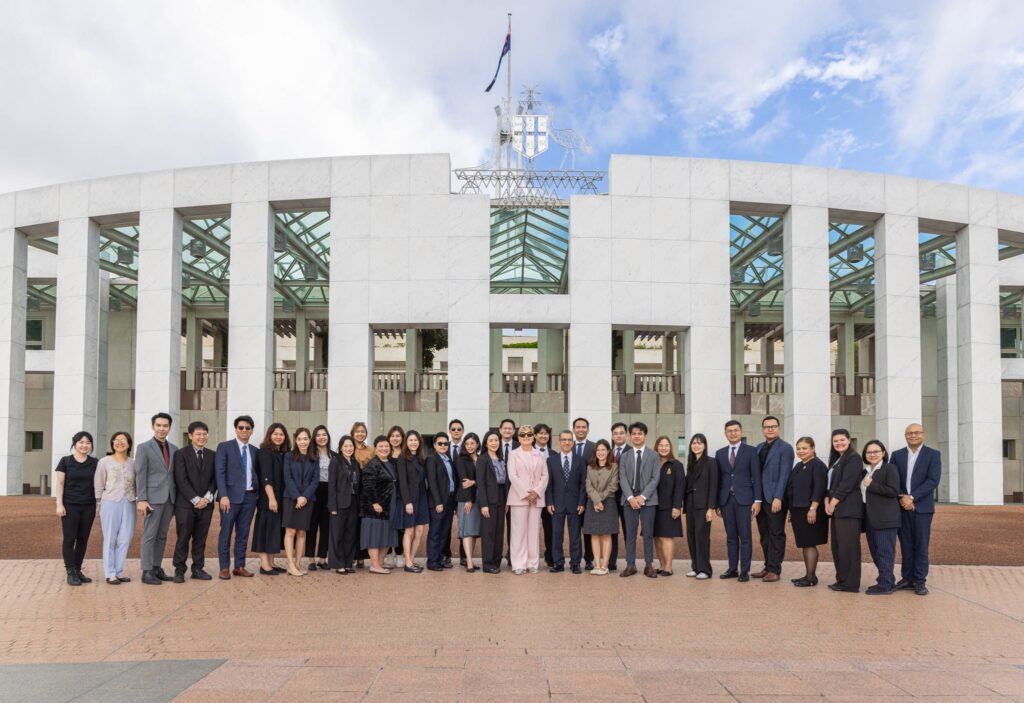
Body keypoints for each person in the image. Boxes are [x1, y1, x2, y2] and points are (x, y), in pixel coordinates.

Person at [892, 423, 941, 596]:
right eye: (909, 433)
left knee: (921, 544)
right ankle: (907, 578)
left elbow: (933, 480)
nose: (913, 435)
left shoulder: (933, 455)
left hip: (922, 508)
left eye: (916, 432)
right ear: (905, 436)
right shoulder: (897, 455)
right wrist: (903, 497)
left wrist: (912, 498)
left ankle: (920, 581)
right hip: (902, 507)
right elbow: (893, 478)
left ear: (923, 434)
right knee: (906, 544)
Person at [715, 420, 762, 582]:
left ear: (741, 432)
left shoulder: (751, 451)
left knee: (745, 536)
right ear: (725, 433)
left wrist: (757, 500)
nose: (733, 433)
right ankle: (732, 568)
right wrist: (717, 503)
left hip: (745, 500)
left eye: (735, 430)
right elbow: (719, 479)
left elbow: (756, 476)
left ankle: (745, 571)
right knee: (731, 537)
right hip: (726, 501)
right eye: (729, 431)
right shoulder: (720, 453)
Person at [214, 415, 260, 579]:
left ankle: (239, 566)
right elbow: (219, 473)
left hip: (249, 498)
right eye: (241, 427)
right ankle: (224, 567)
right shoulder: (225, 447)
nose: (244, 430)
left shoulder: (255, 451)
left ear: (252, 431)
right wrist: (223, 496)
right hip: (230, 499)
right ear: (236, 429)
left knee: (243, 534)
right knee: (225, 533)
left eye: (247, 428)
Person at [136, 412, 178, 585]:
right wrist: (142, 499)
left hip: (170, 498)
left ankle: (156, 567)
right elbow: (140, 474)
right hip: (152, 498)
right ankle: (146, 571)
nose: (162, 429)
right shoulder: (144, 447)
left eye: (165, 426)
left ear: (169, 427)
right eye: (158, 425)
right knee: (149, 535)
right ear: (153, 426)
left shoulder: (174, 449)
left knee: (162, 535)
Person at [171, 422, 216, 582]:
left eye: (204, 434)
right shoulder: (180, 454)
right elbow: (180, 479)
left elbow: (215, 479)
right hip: (185, 505)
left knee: (200, 539)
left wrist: (207, 498)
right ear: (190, 435)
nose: (201, 437)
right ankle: (179, 570)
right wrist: (196, 499)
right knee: (183, 537)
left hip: (207, 504)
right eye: (198, 434)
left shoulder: (212, 454)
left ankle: (198, 568)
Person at [55, 431, 98, 586]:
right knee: (69, 538)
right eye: (81, 442)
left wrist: (99, 504)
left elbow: (99, 484)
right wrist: (59, 504)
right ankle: (70, 571)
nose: (84, 445)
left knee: (83, 539)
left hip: (88, 505)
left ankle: (78, 569)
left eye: (88, 442)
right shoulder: (65, 461)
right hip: (70, 505)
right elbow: (59, 484)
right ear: (74, 444)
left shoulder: (95, 462)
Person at [619, 421, 661, 578]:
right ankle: (631, 565)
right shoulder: (625, 456)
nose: (637, 436)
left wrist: (642, 497)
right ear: (630, 436)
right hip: (628, 501)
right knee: (630, 534)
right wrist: (631, 498)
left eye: (640, 433)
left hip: (648, 501)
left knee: (648, 534)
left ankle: (649, 565)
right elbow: (622, 478)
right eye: (634, 433)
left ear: (645, 435)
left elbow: (655, 478)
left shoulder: (654, 455)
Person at [825, 429, 864, 593]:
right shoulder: (837, 459)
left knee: (849, 547)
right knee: (838, 546)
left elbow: (846, 484)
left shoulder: (854, 458)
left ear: (849, 440)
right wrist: (827, 501)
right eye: (835, 441)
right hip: (837, 510)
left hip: (848, 509)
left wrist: (832, 503)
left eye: (842, 440)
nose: (839, 443)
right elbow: (830, 485)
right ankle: (841, 579)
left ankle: (851, 583)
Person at [861, 439, 902, 595]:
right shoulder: (866, 471)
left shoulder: (889, 468)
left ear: (883, 453)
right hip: (871, 519)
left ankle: (884, 585)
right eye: (869, 452)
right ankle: (887, 581)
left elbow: (893, 491)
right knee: (876, 552)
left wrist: (872, 485)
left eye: (876, 451)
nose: (872, 454)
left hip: (886, 519)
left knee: (885, 552)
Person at [754, 416, 792, 582]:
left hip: (775, 499)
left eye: (773, 426)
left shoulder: (785, 448)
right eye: (766, 427)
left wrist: (778, 497)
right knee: (764, 534)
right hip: (760, 499)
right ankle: (768, 566)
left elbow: (785, 475)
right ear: (762, 429)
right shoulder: (758, 448)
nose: (770, 429)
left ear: (779, 428)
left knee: (776, 533)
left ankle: (775, 569)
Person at [94, 431, 136, 585]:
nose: (119, 442)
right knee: (110, 538)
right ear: (112, 443)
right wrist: (98, 502)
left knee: (125, 538)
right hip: (110, 502)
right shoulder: (104, 462)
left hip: (129, 502)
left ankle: (118, 572)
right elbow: (99, 483)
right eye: (116, 440)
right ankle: (110, 573)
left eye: (123, 440)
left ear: (129, 444)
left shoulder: (133, 463)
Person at [507, 425, 548, 575]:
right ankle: (518, 563)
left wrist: (536, 492)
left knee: (533, 531)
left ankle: (532, 563)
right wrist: (526, 493)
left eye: (529, 434)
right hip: (519, 497)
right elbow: (512, 475)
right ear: (518, 438)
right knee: (518, 532)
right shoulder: (513, 454)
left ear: (533, 437)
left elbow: (545, 476)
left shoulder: (540, 454)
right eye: (523, 434)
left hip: (536, 498)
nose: (526, 436)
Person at [786, 436, 828, 587]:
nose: (801, 451)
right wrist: (791, 510)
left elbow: (819, 488)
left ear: (812, 449)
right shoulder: (798, 466)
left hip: (810, 510)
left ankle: (811, 578)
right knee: (804, 542)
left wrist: (813, 508)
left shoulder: (817, 465)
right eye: (798, 448)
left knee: (810, 543)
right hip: (798, 510)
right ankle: (808, 574)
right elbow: (793, 489)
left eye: (804, 448)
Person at [546, 429, 586, 574]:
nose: (566, 442)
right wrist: (549, 501)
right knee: (557, 534)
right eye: (564, 439)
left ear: (573, 442)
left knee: (575, 534)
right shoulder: (551, 460)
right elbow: (548, 483)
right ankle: (558, 563)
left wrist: (582, 502)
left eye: (569, 440)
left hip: (575, 503)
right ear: (559, 441)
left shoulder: (581, 460)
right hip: (556, 503)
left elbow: (583, 484)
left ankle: (575, 563)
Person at [252, 423, 289, 575]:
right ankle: (264, 565)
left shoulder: (282, 453)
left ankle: (272, 563)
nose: (278, 437)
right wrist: (272, 499)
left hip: (280, 498)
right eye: (275, 434)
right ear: (269, 435)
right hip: (268, 499)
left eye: (281, 434)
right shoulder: (265, 452)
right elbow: (265, 478)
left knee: (274, 531)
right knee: (264, 530)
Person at [360, 436, 399, 574]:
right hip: (375, 508)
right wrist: (375, 503)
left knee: (386, 537)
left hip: (389, 507)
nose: (384, 449)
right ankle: (375, 565)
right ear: (375, 449)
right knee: (374, 537)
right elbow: (368, 486)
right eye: (380, 446)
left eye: (386, 446)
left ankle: (380, 563)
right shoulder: (373, 464)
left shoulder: (391, 463)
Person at [282, 428, 318, 576]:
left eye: (305, 439)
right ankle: (290, 564)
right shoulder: (289, 456)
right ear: (296, 441)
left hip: (308, 499)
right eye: (300, 439)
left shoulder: (314, 457)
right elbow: (287, 478)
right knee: (290, 531)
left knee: (302, 532)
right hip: (291, 498)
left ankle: (297, 563)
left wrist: (305, 497)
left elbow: (315, 481)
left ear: (309, 440)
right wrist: (298, 497)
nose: (302, 442)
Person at [684, 434, 717, 580]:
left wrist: (711, 508)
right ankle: (696, 567)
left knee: (702, 537)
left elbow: (713, 486)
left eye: (699, 443)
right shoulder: (691, 462)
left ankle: (705, 569)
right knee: (691, 536)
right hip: (690, 504)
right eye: (694, 443)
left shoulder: (711, 462)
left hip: (703, 506)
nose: (696, 446)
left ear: (704, 445)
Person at [583, 439, 618, 575]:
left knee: (606, 534)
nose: (601, 452)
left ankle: (605, 565)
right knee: (595, 533)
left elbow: (613, 485)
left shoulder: (614, 467)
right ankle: (596, 564)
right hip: (592, 503)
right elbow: (588, 486)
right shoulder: (590, 467)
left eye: (603, 450)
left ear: (608, 451)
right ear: (595, 452)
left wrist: (600, 499)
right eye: (598, 450)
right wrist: (596, 501)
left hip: (608, 503)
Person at [327, 435, 361, 574]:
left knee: (350, 534)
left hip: (353, 503)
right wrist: (332, 507)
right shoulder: (335, 462)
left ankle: (348, 563)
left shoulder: (355, 463)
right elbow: (332, 486)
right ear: (341, 448)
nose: (348, 448)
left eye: (351, 446)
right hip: (339, 504)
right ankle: (338, 564)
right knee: (338, 535)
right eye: (345, 446)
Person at [397, 430, 429, 573]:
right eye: (410, 440)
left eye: (415, 440)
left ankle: (411, 559)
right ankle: (407, 563)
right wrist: (407, 502)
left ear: (419, 442)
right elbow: (402, 482)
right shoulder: (402, 458)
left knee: (420, 531)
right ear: (406, 442)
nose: (413, 443)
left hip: (422, 498)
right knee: (409, 530)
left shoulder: (421, 458)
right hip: (410, 499)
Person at [653, 436, 685, 576]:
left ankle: (668, 567)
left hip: (669, 507)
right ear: (656, 447)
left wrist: (677, 506)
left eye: (666, 445)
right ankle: (661, 565)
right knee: (657, 537)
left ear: (670, 447)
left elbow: (680, 487)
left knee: (667, 537)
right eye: (661, 445)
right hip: (653, 505)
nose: (663, 448)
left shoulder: (676, 464)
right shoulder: (652, 463)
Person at [477, 430, 508, 574]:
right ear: (486, 443)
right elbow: (481, 483)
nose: (494, 443)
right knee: (488, 533)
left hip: (501, 498)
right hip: (488, 500)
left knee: (498, 532)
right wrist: (483, 504)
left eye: (496, 440)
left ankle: (496, 561)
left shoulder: (501, 458)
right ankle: (488, 564)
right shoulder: (482, 459)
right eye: (491, 440)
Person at [426, 432, 457, 571]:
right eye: (440, 443)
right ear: (434, 445)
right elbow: (432, 482)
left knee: (445, 532)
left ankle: (439, 559)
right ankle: (432, 562)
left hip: (450, 500)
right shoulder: (432, 459)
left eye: (446, 443)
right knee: (435, 532)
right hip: (438, 502)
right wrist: (438, 502)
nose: (443, 445)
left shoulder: (448, 459)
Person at [305, 425, 334, 571]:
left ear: (328, 437)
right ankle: (311, 559)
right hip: (313, 492)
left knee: (326, 526)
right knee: (311, 526)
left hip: (329, 492)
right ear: (314, 438)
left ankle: (323, 558)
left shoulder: (334, 455)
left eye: (324, 434)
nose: (322, 437)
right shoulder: (309, 455)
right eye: (318, 435)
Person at [572, 417, 596, 569]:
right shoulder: (568, 446)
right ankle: (576, 560)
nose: (581, 429)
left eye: (584, 427)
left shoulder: (594, 447)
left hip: (590, 496)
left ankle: (589, 559)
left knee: (588, 529)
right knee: (574, 530)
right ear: (574, 429)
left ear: (588, 429)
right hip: (572, 496)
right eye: (578, 427)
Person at [455, 432, 482, 572]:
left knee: (474, 531)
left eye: (472, 443)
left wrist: (475, 482)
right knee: (467, 531)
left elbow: (484, 480)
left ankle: (470, 559)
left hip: (479, 499)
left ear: (477, 444)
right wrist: (468, 499)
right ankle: (469, 563)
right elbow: (464, 481)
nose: (470, 446)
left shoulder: (482, 458)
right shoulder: (461, 459)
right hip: (466, 500)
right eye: (467, 444)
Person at [350, 421, 373, 568]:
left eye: (363, 431)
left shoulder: (371, 451)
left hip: (365, 488)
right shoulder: (347, 447)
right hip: (351, 490)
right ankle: (351, 555)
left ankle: (361, 557)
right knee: (351, 524)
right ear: (352, 433)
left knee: (362, 523)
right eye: (357, 431)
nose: (360, 434)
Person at [607, 422, 629, 571]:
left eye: (621, 433)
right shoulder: (607, 452)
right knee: (612, 530)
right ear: (612, 436)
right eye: (615, 433)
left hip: (628, 498)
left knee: (629, 531)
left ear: (626, 435)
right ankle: (611, 561)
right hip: (610, 498)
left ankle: (630, 561)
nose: (618, 435)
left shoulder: (632, 451)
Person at [534, 423, 555, 567]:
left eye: (546, 433)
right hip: (533, 496)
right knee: (531, 528)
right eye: (540, 433)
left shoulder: (554, 454)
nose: (543, 436)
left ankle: (551, 556)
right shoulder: (527, 451)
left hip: (549, 498)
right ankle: (530, 557)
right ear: (535, 435)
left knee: (550, 528)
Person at [445, 418, 465, 567]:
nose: (456, 431)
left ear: (462, 431)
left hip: (464, 494)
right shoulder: (444, 447)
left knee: (464, 525)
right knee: (446, 526)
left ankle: (464, 556)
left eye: (459, 429)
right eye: (453, 429)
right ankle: (446, 555)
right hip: (448, 494)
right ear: (450, 431)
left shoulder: (468, 447)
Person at [386, 425, 406, 566]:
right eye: (392, 436)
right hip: (386, 496)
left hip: (401, 496)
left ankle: (399, 554)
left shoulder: (406, 455)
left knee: (400, 526)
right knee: (387, 526)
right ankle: (388, 554)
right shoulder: (384, 454)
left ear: (402, 438)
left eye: (398, 436)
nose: (395, 438)